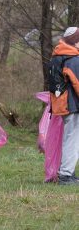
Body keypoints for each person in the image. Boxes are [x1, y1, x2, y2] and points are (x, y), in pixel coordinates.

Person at [49, 27, 79, 185]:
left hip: (63, 104)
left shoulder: (58, 55)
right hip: (71, 105)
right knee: (72, 140)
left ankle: (68, 173)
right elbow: (77, 83)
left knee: (71, 139)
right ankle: (66, 175)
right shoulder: (72, 58)